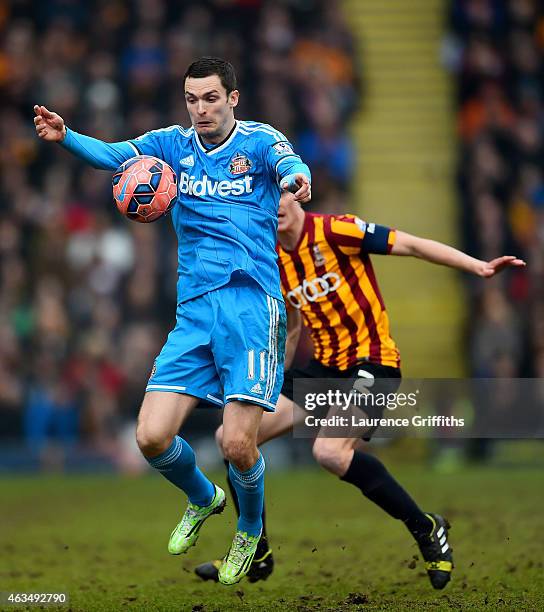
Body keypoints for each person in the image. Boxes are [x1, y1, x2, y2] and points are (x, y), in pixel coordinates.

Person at [33, 57, 312, 586]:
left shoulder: (258, 143)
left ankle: (249, 532)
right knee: (151, 437)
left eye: (210, 98)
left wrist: (298, 180)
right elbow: (114, 156)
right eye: (192, 99)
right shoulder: (171, 146)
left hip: (252, 308)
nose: (200, 109)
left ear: (233, 98)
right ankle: (204, 497)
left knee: (236, 444)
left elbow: (290, 164)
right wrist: (67, 136)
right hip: (195, 314)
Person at [195, 192, 525, 588]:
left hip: (374, 363)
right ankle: (256, 550)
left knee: (329, 452)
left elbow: (412, 244)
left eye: (284, 192)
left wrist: (480, 266)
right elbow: (295, 323)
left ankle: (426, 529)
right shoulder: (273, 258)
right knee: (232, 439)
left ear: (299, 196)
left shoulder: (337, 231)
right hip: (324, 372)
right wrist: (272, 377)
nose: (277, 203)